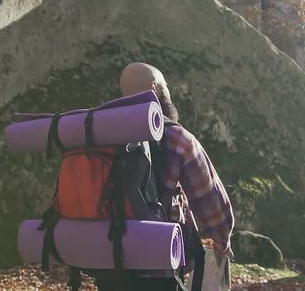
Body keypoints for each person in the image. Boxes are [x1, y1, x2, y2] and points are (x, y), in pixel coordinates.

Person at [94, 62, 235, 291]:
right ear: (155, 88)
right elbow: (212, 204)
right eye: (165, 86)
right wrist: (222, 240)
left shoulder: (102, 136)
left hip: (109, 259)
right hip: (159, 264)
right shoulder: (177, 137)